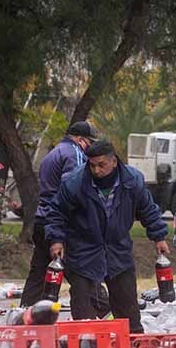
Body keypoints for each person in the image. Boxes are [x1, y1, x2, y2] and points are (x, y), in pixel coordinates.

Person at [44, 140, 168, 333]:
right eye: (92, 165)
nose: (96, 170)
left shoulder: (132, 181)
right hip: (84, 249)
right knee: (83, 311)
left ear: (114, 162)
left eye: (101, 165)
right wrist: (57, 239)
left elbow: (148, 209)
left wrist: (159, 236)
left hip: (118, 249)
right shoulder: (74, 183)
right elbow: (56, 213)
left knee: (128, 309)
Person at [20, 121, 98, 306]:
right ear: (80, 140)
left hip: (42, 219)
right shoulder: (75, 154)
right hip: (61, 223)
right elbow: (74, 189)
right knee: (82, 271)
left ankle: (25, 313)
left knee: (38, 273)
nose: (91, 148)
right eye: (90, 143)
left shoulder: (53, 153)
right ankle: (104, 311)